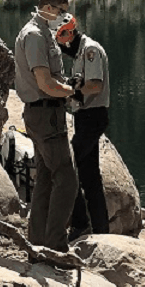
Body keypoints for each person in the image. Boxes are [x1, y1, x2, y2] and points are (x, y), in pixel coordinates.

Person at [14, 0, 77, 253]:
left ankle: (38, 242)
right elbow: (44, 83)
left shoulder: (41, 33)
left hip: (43, 114)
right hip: (45, 115)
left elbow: (52, 78)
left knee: (47, 179)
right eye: (62, 11)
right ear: (49, 8)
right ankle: (55, 245)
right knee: (67, 179)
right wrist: (73, 92)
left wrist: (67, 84)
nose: (64, 18)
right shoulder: (35, 36)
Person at [54, 14, 111, 241]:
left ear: (70, 35)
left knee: (69, 166)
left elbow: (95, 86)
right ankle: (101, 230)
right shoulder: (80, 54)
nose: (63, 48)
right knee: (90, 177)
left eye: (63, 42)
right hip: (84, 116)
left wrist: (73, 91)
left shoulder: (90, 51)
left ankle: (81, 224)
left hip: (92, 116)